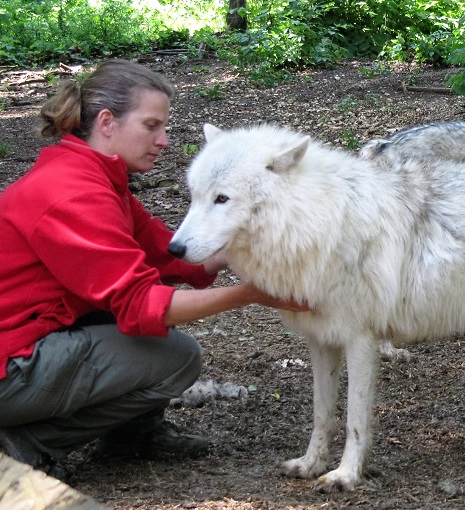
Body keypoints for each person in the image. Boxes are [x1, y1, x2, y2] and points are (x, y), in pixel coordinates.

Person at [0, 59, 309, 479]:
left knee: (129, 317)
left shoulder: (95, 176)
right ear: (107, 122)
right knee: (177, 358)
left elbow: (167, 253)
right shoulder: (71, 193)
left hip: (31, 337)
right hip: (9, 364)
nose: (164, 140)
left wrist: (251, 241)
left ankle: (133, 436)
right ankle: (23, 444)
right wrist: (252, 293)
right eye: (151, 126)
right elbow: (142, 303)